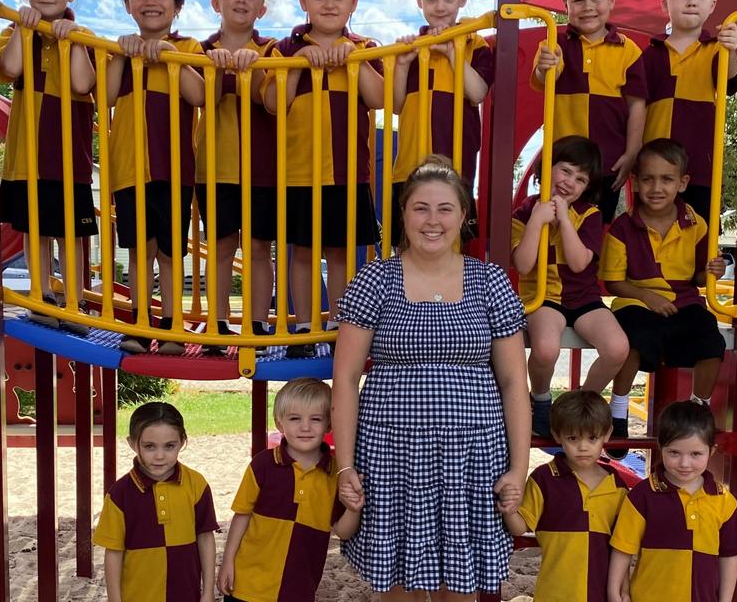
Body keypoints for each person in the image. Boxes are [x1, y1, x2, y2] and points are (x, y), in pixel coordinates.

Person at [331, 155, 529, 600]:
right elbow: (344, 380)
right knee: (397, 580)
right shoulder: (375, 280)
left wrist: (518, 466)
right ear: (403, 214)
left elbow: (515, 383)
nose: (432, 220)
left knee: (460, 581)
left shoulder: (490, 281)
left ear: (463, 215)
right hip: (391, 452)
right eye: (420, 208)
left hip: (473, 454)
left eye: (445, 209)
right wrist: (346, 464)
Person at [262, 0, 385, 357]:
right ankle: (302, 326)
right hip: (299, 173)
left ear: (353, 1)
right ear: (303, 0)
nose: (329, 4)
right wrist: (299, 63)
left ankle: (338, 324)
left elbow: (379, 97)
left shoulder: (365, 48)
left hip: (349, 173)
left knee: (341, 253)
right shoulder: (285, 48)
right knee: (302, 253)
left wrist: (353, 61)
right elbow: (273, 102)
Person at [104, 0, 206, 355]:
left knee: (169, 250)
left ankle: (172, 325)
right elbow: (107, 95)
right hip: (130, 169)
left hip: (174, 168)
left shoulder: (187, 49)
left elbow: (199, 95)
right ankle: (140, 320)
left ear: (177, 5)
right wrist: (124, 57)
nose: (150, 1)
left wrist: (167, 57)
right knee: (139, 249)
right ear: (127, 3)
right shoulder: (118, 52)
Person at [602, 139, 727, 458]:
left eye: (667, 179)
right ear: (635, 182)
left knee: (711, 339)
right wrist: (647, 295)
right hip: (636, 300)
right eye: (648, 179)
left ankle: (701, 408)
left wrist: (713, 270)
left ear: (682, 183)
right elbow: (613, 282)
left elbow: (699, 276)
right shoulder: (622, 228)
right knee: (630, 338)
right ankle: (619, 411)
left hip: (683, 300)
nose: (656, 187)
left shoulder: (695, 223)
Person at [0, 0, 96, 334]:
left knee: (69, 231)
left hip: (69, 156)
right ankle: (41, 296)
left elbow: (83, 83)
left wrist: (70, 41)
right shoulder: (15, 31)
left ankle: (72, 301)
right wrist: (25, 28)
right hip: (28, 156)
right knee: (35, 230)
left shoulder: (82, 36)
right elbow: (9, 70)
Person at [512, 135, 629, 437]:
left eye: (580, 179)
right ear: (546, 167)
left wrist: (564, 219)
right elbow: (522, 265)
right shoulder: (524, 213)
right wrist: (537, 222)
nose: (570, 183)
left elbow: (579, 264)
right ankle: (540, 400)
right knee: (546, 348)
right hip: (543, 295)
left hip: (583, 297)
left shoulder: (589, 214)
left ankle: (580, 402)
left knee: (618, 348)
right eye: (565, 171)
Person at [218, 378, 363, 602]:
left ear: (329, 425)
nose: (305, 427)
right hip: (247, 584)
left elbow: (342, 532)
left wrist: (354, 508)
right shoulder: (263, 464)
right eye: (295, 419)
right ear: (279, 423)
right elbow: (242, 515)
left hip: (298, 588)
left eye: (316, 419)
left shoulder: (336, 473)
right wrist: (228, 561)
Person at [531, 0, 647, 223]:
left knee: (598, 225)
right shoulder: (554, 42)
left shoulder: (627, 50)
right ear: (565, 5)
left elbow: (636, 105)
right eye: (578, 0)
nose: (588, 7)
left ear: (612, 1)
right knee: (557, 223)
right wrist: (546, 67)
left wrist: (632, 153)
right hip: (563, 163)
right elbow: (541, 78)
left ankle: (592, 265)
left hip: (606, 163)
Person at [199, 0, 277, 353]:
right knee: (222, 246)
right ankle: (217, 324)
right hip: (214, 167)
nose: (241, 0)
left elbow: (272, 102)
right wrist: (215, 72)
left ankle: (258, 324)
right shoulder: (201, 52)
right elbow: (201, 100)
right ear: (217, 2)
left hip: (262, 169)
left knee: (260, 247)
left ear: (262, 8)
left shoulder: (272, 51)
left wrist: (254, 71)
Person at [390, 0, 495, 245]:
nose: (439, 6)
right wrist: (401, 65)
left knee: (452, 246)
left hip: (455, 167)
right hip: (410, 165)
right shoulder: (412, 48)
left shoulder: (476, 45)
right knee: (407, 247)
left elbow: (477, 92)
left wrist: (452, 52)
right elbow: (396, 105)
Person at [608, 401, 737, 602]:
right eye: (674, 453)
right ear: (661, 447)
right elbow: (623, 548)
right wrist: (615, 591)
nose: (685, 463)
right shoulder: (643, 496)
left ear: (712, 451)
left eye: (696, 454)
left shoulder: (723, 501)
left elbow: (730, 555)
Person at [500, 390, 630, 602]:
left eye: (592, 438)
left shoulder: (617, 486)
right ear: (557, 434)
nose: (582, 447)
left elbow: (623, 546)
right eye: (572, 438)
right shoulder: (545, 478)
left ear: (607, 434)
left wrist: (623, 591)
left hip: (602, 593)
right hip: (555, 592)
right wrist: (509, 508)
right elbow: (519, 527)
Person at [640, 0, 737, 222]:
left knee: (699, 228)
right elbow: (637, 106)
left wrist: (732, 50)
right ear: (665, 4)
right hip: (656, 163)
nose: (692, 1)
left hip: (699, 162)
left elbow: (729, 82)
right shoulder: (651, 53)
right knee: (652, 225)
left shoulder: (715, 48)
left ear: (712, 5)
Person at [93, 402, 218, 602]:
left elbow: (205, 537)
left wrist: (208, 591)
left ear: (182, 441)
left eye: (169, 446)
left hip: (187, 594)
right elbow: (114, 552)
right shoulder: (120, 494)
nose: (159, 456)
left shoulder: (196, 484)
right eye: (149, 446)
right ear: (133, 443)